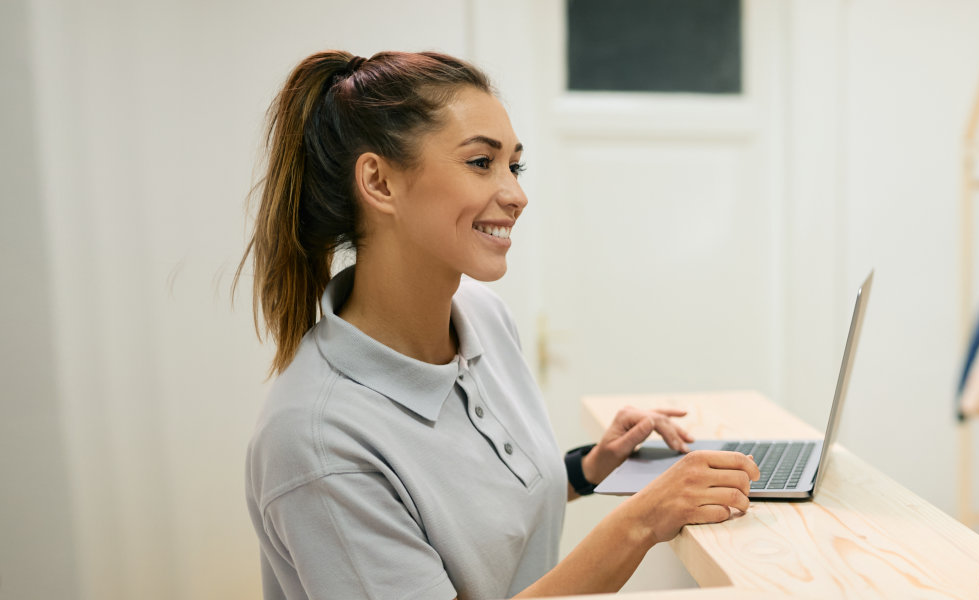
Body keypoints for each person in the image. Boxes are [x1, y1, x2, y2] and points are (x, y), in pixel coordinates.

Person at [239, 50, 759, 600]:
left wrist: (590, 467)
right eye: (480, 163)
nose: (516, 194)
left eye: (515, 164)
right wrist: (638, 524)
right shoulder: (318, 445)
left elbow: (474, 516)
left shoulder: (483, 318)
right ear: (379, 182)